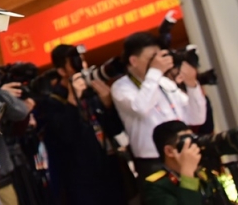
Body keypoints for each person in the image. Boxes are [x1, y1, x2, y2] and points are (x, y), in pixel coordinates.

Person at [110, 32, 207, 176]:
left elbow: (197, 118)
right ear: (134, 61)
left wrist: (192, 84)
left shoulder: (164, 82)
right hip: (152, 161)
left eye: (159, 57)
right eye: (152, 58)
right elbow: (141, 108)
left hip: (182, 154)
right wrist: (155, 72)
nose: (158, 62)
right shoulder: (121, 87)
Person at [33, 68, 125, 205]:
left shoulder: (91, 95)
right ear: (62, 72)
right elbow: (66, 137)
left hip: (110, 169)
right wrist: (72, 102)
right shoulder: (52, 105)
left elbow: (115, 129)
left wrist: (108, 105)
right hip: (82, 181)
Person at [140, 121, 228, 205]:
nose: (194, 147)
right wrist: (187, 173)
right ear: (169, 151)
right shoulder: (156, 186)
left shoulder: (203, 175)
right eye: (186, 143)